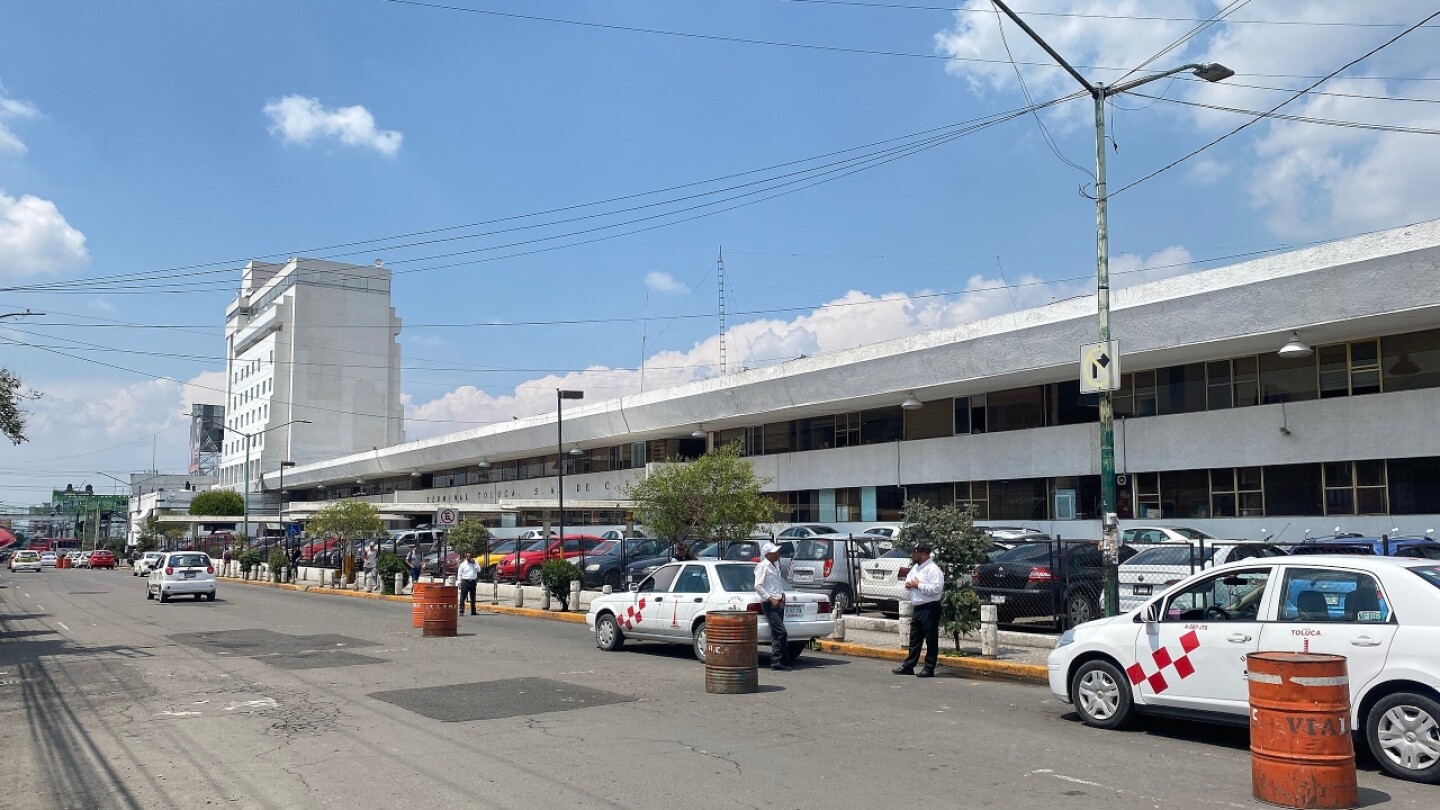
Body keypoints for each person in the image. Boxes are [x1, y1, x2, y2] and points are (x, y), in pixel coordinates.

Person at [893, 542, 944, 678]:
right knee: (915, 639)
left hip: (930, 607)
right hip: (918, 607)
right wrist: (910, 585)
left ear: (923, 553)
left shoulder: (933, 569)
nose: (912, 554)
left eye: (915, 552)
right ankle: (909, 666)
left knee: (931, 640)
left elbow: (936, 589)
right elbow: (908, 580)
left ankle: (929, 668)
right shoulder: (916, 568)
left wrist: (918, 585)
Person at [753, 542, 791, 671]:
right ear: (767, 554)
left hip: (779, 602)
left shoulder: (776, 565)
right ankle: (779, 659)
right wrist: (770, 598)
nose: (777, 554)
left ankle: (778, 662)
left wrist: (782, 595)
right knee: (782, 632)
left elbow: (777, 583)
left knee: (776, 633)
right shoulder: (762, 566)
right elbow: (758, 586)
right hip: (770, 604)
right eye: (775, 552)